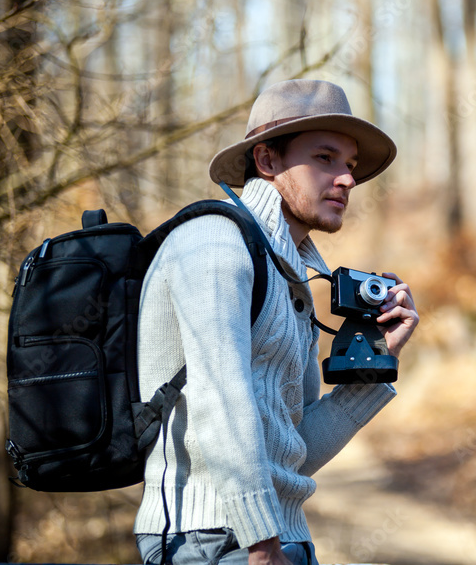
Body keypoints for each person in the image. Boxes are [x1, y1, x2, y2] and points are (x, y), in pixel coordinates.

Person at [133, 79, 419, 565]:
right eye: (326, 158)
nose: (347, 179)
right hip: (212, 540)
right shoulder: (213, 243)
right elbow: (217, 397)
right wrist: (260, 543)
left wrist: (379, 363)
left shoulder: (290, 272)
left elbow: (296, 449)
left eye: (350, 166)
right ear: (267, 161)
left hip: (278, 538)